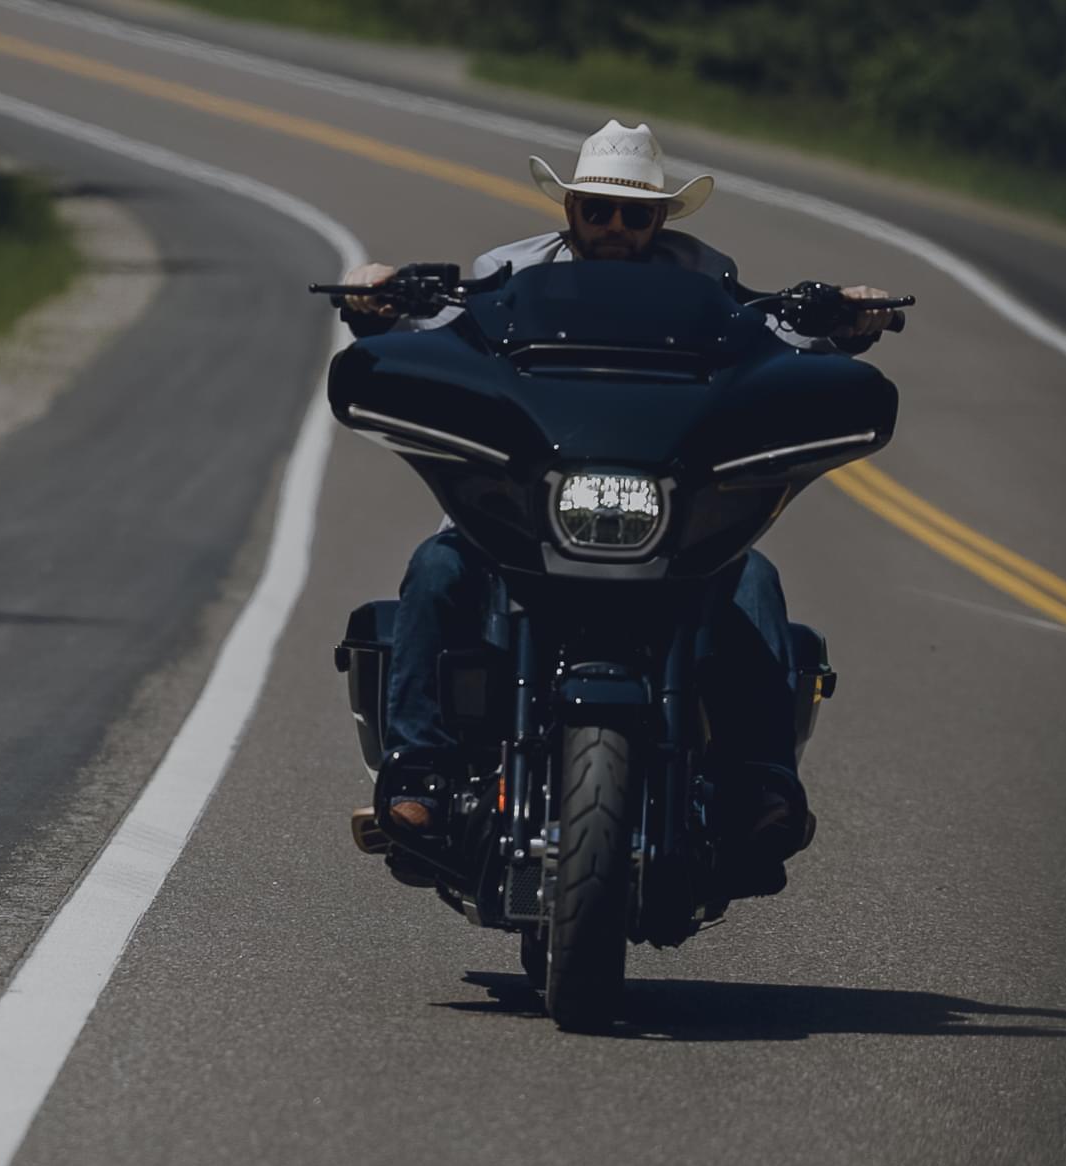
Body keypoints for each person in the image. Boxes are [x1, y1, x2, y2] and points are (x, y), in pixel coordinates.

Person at [339, 121, 897, 881]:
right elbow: (440, 326)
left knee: (755, 579)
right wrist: (381, 295)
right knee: (435, 569)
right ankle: (419, 777)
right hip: (522, 508)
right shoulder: (506, 272)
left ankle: (761, 786)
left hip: (665, 515)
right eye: (597, 209)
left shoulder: (708, 283)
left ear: (660, 219)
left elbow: (770, 341)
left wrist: (843, 322)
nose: (614, 227)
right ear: (570, 207)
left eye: (634, 214)